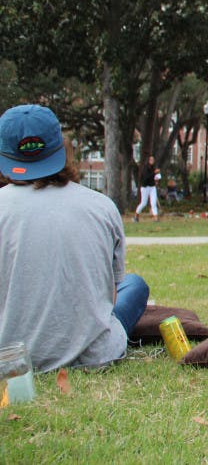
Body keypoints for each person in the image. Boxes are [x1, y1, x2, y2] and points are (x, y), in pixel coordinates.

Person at [0, 104, 150, 372]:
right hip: (94, 355)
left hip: (11, 360)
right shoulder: (102, 207)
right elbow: (111, 296)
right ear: (62, 150)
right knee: (134, 285)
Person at [133, 155, 160, 222]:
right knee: (143, 203)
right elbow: (146, 178)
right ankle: (136, 215)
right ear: (148, 161)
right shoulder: (145, 168)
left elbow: (156, 176)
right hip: (145, 187)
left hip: (152, 187)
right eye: (151, 160)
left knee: (153, 202)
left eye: (153, 160)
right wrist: (154, 173)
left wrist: (157, 179)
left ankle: (156, 218)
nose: (152, 161)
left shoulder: (154, 168)